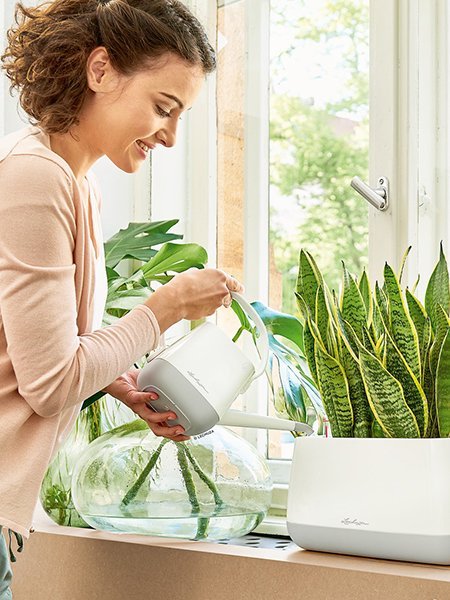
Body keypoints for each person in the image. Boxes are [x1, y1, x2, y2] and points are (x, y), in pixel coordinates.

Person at [0, 1, 243, 596]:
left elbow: (38, 346)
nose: (170, 136)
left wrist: (117, 381)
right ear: (101, 70)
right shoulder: (35, 176)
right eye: (163, 108)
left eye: (181, 116)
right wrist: (167, 307)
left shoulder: (78, 185)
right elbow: (50, 384)